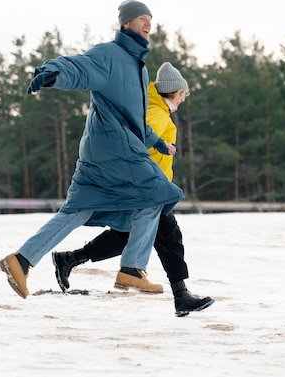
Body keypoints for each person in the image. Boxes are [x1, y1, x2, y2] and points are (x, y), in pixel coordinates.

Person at [0, 0, 183, 299]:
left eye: (149, 19)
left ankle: (20, 261)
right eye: (140, 19)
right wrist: (51, 73)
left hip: (99, 154)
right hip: (118, 151)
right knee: (158, 194)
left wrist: (159, 143)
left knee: (76, 211)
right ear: (126, 24)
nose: (147, 24)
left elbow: (135, 119)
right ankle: (133, 269)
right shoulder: (110, 54)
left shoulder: (140, 68)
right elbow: (79, 67)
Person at [53, 62, 214, 317]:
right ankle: (181, 296)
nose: (184, 99)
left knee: (126, 236)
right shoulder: (156, 115)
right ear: (173, 93)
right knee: (169, 238)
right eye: (183, 94)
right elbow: (137, 139)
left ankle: (70, 259)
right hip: (148, 191)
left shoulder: (156, 110)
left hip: (146, 189)